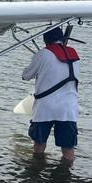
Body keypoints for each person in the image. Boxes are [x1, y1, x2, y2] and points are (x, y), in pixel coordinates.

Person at [22, 27, 80, 164]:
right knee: (68, 149)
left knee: (39, 145)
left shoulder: (42, 54)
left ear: (45, 40)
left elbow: (26, 76)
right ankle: (65, 178)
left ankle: (36, 172)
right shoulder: (74, 54)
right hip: (68, 108)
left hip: (45, 108)